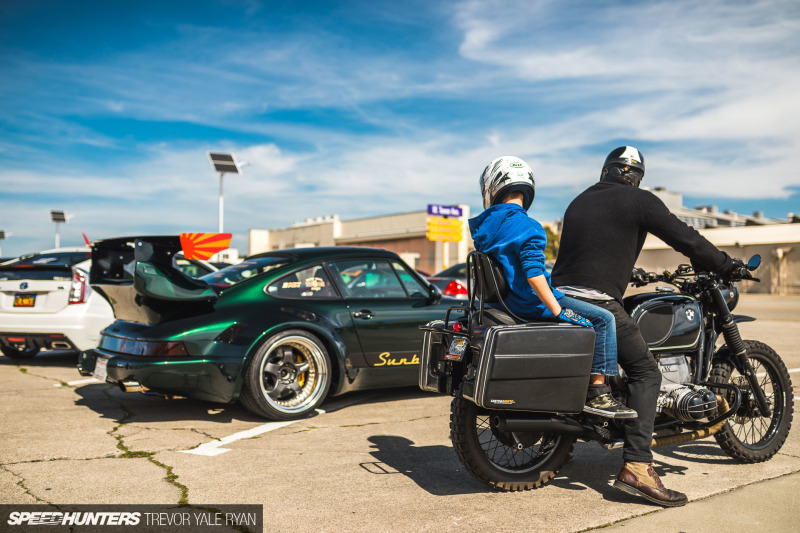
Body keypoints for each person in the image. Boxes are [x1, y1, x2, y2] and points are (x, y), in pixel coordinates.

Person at [551, 145, 736, 507]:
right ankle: (638, 465)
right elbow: (686, 237)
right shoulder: (640, 201)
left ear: (607, 171)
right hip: (596, 301)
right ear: (635, 176)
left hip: (561, 297)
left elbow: (594, 249)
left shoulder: (580, 200)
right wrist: (725, 264)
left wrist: (629, 270)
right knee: (646, 372)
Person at [468, 156, 636, 419]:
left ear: (491, 188)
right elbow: (535, 276)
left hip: (506, 301)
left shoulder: (486, 227)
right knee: (604, 319)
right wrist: (558, 310)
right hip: (530, 302)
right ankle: (599, 394)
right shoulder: (528, 227)